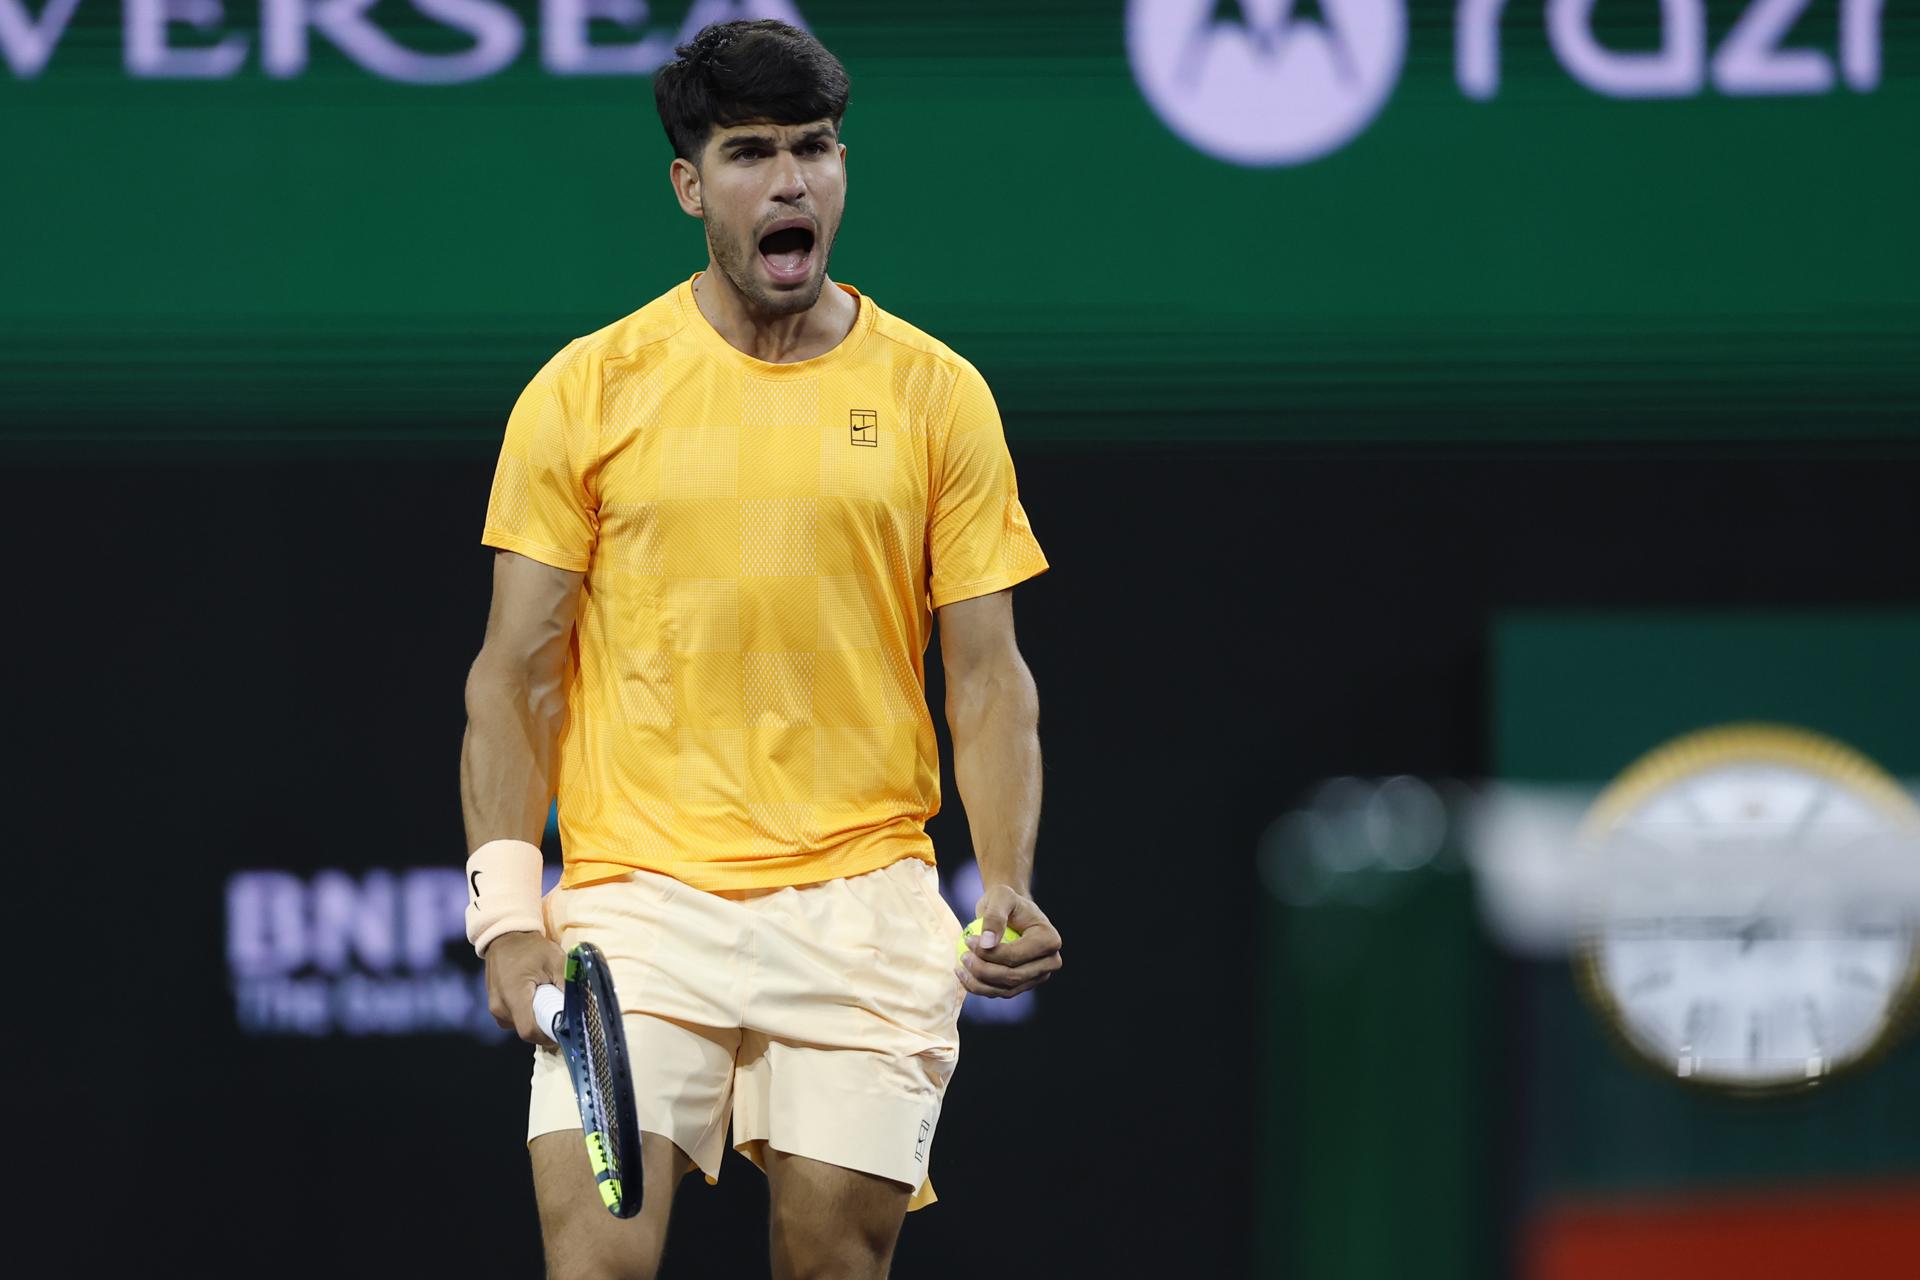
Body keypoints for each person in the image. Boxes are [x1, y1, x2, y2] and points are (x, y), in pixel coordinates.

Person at [457, 19, 1061, 1279]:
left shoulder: (937, 394)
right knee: (596, 1261)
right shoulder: (587, 389)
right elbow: (516, 672)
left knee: (833, 1261)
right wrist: (508, 918)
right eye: (750, 154)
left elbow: (987, 673)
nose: (791, 181)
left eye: (815, 148)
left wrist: (1004, 875)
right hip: (637, 905)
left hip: (863, 902)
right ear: (690, 186)